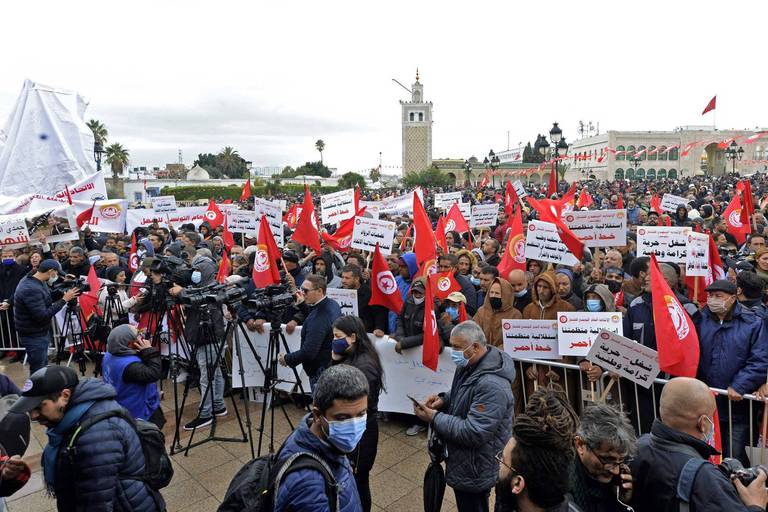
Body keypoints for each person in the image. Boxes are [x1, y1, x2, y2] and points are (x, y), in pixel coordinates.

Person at [10, 365, 164, 510]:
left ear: (65, 395)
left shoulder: (96, 437)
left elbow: (96, 503)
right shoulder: (76, 414)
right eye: (31, 409)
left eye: (39, 407)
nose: (34, 415)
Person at [414, 321, 516, 512]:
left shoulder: (492, 385)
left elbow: (475, 431)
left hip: (477, 466)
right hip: (466, 461)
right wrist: (443, 400)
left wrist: (434, 417)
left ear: (475, 347)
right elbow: (463, 391)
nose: (453, 352)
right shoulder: (471, 363)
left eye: (457, 347)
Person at [631, 376, 768, 512]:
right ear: (703, 423)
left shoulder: (636, 447)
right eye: (711, 416)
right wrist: (756, 505)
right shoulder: (704, 478)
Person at [694, 279, 768, 465]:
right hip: (706, 405)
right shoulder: (700, 319)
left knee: (734, 459)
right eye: (710, 295)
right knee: (707, 458)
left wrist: (739, 385)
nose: (713, 300)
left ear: (733, 298)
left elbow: (759, 360)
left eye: (719, 296)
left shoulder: (753, 322)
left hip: (737, 407)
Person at [274, 364, 366, 512]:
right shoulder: (308, 485)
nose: (354, 426)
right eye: (342, 418)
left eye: (361, 414)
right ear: (317, 415)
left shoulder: (326, 440)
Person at [495, 387, 581, 512]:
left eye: (502, 460)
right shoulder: (505, 504)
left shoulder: (506, 498)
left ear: (518, 483)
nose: (498, 465)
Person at [330, 316, 385, 512]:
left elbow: (340, 393)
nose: (334, 340)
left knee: (359, 481)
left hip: (361, 435)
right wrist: (335, 360)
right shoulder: (351, 356)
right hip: (353, 429)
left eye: (338, 336)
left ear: (352, 337)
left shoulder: (365, 366)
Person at [13, 260, 80, 374]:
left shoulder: (36, 280)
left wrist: (61, 292)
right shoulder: (30, 288)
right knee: (38, 370)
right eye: (57, 273)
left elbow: (46, 298)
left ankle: (41, 388)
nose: (57, 276)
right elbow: (42, 315)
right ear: (51, 271)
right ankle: (36, 391)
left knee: (42, 366)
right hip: (33, 334)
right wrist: (64, 300)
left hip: (38, 331)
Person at [279, 274, 342, 392]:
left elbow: (309, 351)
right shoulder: (332, 304)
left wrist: (287, 359)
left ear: (319, 291)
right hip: (329, 364)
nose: (301, 293)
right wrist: (303, 305)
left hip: (320, 370)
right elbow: (315, 314)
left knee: (321, 406)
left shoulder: (320, 316)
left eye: (305, 291)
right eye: (301, 289)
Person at [570, 404, 636, 512]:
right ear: (580, 445)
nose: (616, 471)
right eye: (607, 459)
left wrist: (620, 503)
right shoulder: (563, 483)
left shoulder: (612, 486)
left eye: (620, 461)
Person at [102, 324, 165, 428]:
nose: (142, 337)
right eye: (138, 334)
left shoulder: (110, 354)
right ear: (130, 343)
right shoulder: (130, 366)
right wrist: (149, 351)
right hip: (138, 413)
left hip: (120, 403)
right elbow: (154, 373)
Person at [473, 277, 521, 348]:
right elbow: (473, 333)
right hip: (482, 353)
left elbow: (514, 341)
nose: (493, 296)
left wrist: (496, 352)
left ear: (505, 295)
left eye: (497, 293)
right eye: (491, 292)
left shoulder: (515, 315)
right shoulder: (481, 311)